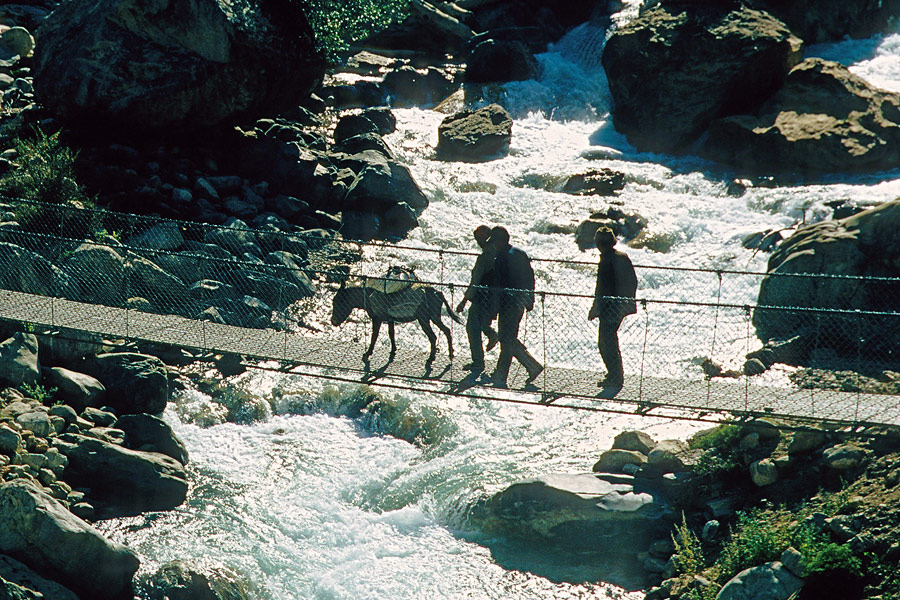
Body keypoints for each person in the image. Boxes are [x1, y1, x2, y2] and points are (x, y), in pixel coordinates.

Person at [488, 226, 543, 388]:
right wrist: (530, 298)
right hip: (519, 301)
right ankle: (501, 374)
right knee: (508, 338)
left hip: (507, 304)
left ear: (500, 241)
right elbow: (530, 277)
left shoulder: (501, 258)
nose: (493, 245)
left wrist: (493, 309)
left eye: (494, 241)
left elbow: (498, 286)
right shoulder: (520, 254)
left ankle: (529, 367)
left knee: (507, 339)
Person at [588, 226, 637, 386]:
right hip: (621, 305)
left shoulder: (606, 260)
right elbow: (633, 281)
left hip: (609, 306)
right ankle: (615, 376)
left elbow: (601, 288)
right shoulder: (622, 256)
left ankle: (615, 377)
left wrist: (595, 308)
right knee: (610, 341)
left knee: (605, 343)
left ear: (598, 243)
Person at [456, 225, 499, 373]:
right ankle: (491, 334)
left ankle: (478, 362)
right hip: (494, 297)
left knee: (472, 328)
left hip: (481, 297)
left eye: (478, 239)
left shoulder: (484, 257)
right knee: (482, 323)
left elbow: (475, 280)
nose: (477, 242)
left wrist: (464, 301)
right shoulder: (496, 253)